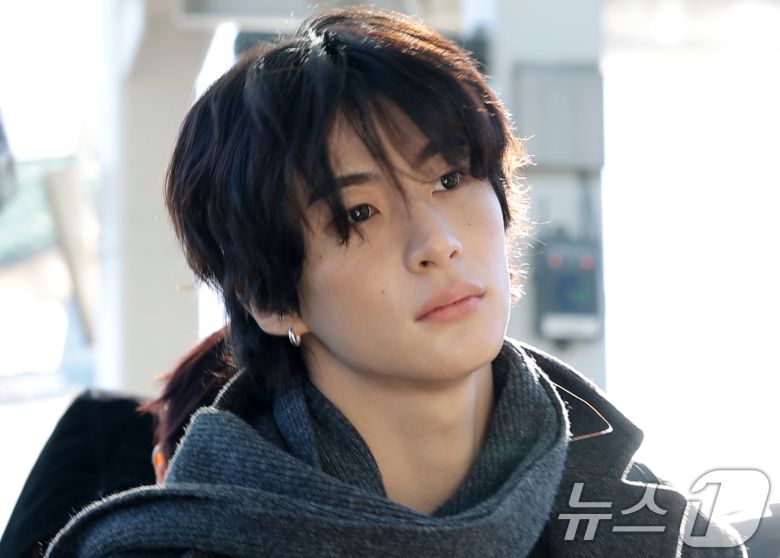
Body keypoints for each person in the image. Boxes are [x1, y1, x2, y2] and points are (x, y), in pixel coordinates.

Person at [45, 6, 747, 557]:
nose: (437, 243)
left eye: (450, 178)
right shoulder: (173, 548)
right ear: (272, 298)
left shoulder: (662, 538)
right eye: (359, 212)